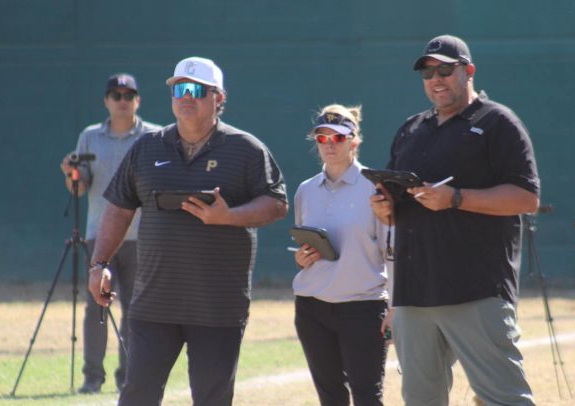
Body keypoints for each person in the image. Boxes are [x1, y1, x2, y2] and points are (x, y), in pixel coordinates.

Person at [86, 56, 288, 405]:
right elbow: (118, 208)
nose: (186, 97)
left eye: (197, 90)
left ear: (218, 98)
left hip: (217, 307)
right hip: (154, 303)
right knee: (137, 396)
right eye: (179, 89)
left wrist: (229, 216)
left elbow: (277, 204)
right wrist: (99, 263)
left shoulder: (246, 149)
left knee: (211, 399)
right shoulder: (147, 147)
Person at [370, 34, 539, 405]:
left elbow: (527, 198)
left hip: (475, 289)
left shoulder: (497, 122)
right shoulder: (411, 128)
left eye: (445, 70)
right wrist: (386, 210)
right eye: (427, 72)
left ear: (469, 71)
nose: (436, 79)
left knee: (504, 399)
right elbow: (399, 211)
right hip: (414, 294)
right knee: (421, 400)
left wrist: (456, 198)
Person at [59, 73, 161, 394]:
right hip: (100, 237)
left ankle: (129, 377)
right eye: (116, 95)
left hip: (142, 237)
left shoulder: (154, 135)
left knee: (136, 310)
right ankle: (92, 378)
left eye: (128, 95)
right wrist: (71, 173)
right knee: (96, 308)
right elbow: (79, 187)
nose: (122, 101)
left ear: (138, 101)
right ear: (106, 101)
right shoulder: (90, 137)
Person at [292, 104, 392, 406]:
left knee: (367, 397)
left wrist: (395, 306)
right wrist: (302, 259)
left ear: (354, 142)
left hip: (363, 307)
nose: (329, 144)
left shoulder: (376, 188)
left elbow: (393, 251)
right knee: (330, 398)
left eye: (337, 137)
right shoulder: (305, 190)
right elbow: (305, 245)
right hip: (311, 307)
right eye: (322, 138)